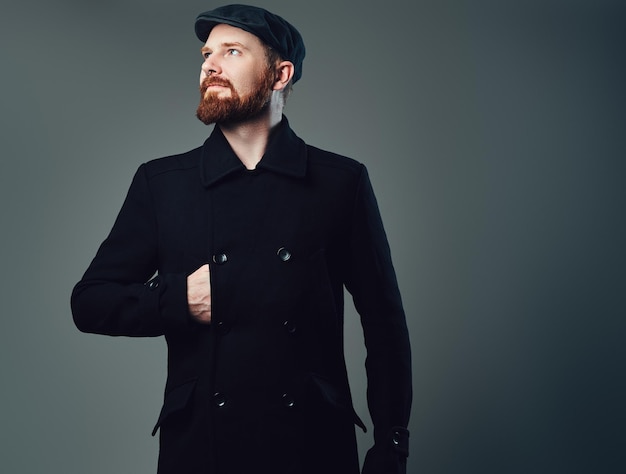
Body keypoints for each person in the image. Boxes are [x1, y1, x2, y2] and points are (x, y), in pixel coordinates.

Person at [71, 4, 412, 474]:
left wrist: (392, 444)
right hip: (202, 449)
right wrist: (180, 301)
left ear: (280, 74)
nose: (210, 64)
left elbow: (384, 321)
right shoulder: (163, 183)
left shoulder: (341, 182)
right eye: (206, 54)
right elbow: (89, 302)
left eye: (232, 52)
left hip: (311, 444)